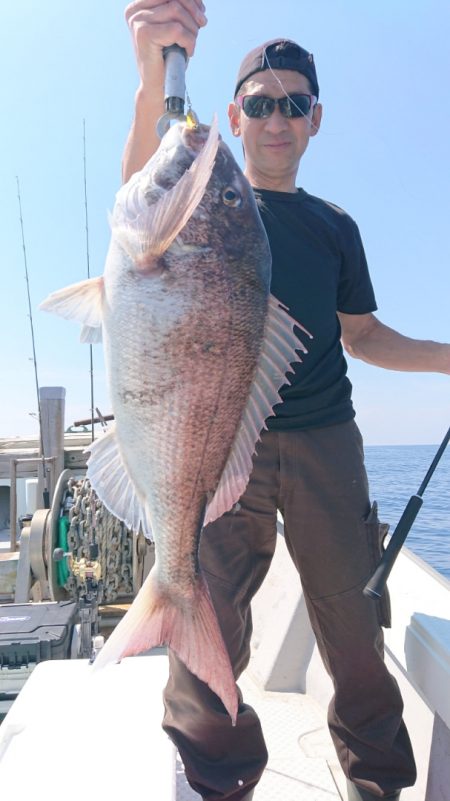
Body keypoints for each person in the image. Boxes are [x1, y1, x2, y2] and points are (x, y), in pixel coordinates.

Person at [122, 3, 450, 800]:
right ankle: (216, 775)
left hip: (327, 440)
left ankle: (379, 780)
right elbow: (145, 189)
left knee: (351, 619)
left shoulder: (337, 225)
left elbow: (364, 335)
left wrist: (447, 358)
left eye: (294, 103)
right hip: (221, 435)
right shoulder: (200, 199)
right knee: (210, 618)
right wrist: (150, 76)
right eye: (261, 102)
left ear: (316, 120)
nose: (277, 116)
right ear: (234, 116)